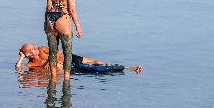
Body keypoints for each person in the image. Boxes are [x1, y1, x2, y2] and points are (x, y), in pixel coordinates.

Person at [44, 0, 83, 80]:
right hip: (63, 20)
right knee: (67, 52)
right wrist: (78, 27)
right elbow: (71, 10)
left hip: (50, 19)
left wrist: (45, 23)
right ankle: (66, 79)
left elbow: (48, 8)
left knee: (52, 52)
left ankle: (53, 77)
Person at [15, 44, 143, 74]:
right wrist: (21, 58)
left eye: (33, 47)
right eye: (30, 50)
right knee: (93, 69)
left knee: (95, 62)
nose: (34, 49)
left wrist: (50, 61)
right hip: (67, 66)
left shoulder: (42, 49)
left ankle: (128, 67)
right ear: (27, 55)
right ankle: (131, 69)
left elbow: (57, 52)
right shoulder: (31, 64)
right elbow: (19, 69)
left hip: (69, 58)